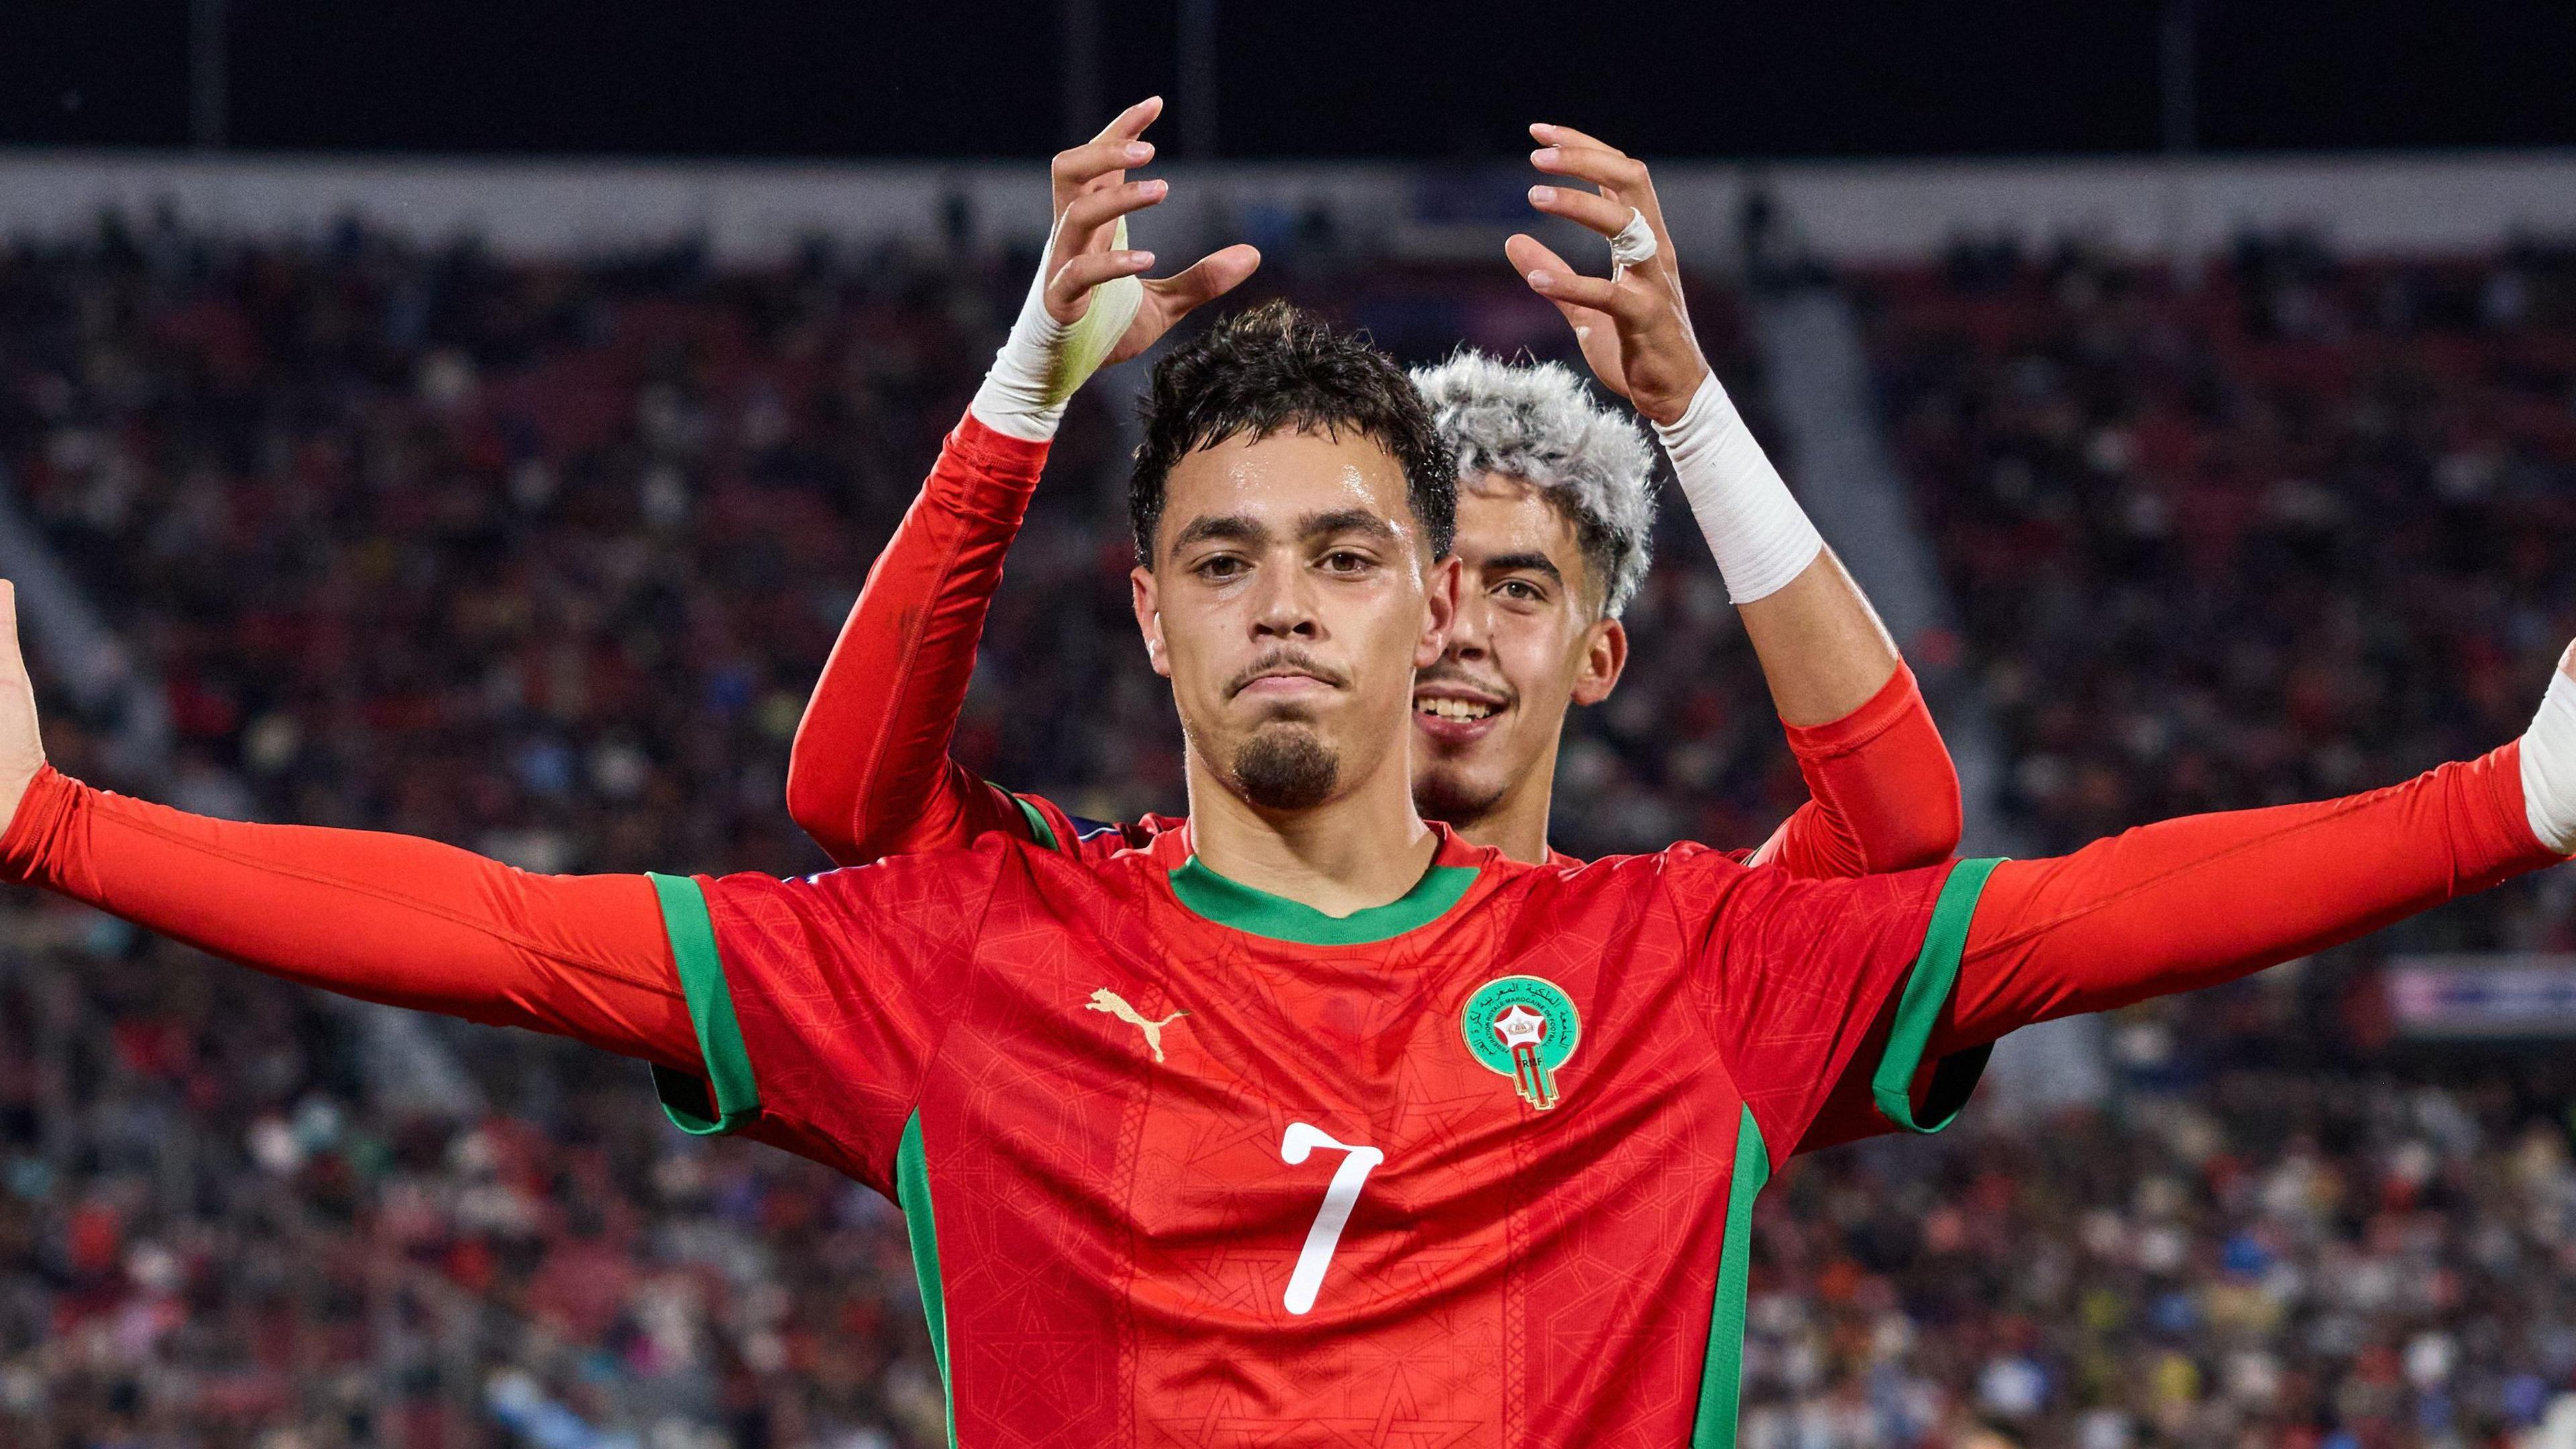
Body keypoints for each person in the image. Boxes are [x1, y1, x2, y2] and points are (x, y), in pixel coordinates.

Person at [7, 153, 2574, 1448]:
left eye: (1347, 552)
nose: (1286, 602)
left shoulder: (1677, 965)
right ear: (1148, 616)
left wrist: (2513, 801)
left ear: (1434, 601)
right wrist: (62, 830)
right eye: (1222, 556)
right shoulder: (965, 954)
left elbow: (2075, 916)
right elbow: (505, 932)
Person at [788, 102, 1960, 879]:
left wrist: (1693, 414)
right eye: (1393, 569)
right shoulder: (1114, 906)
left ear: (1601, 656)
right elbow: (855, 806)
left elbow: (1901, 835)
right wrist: (1023, 394)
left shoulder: (1660, 958)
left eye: (1519, 588)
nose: (1456, 629)